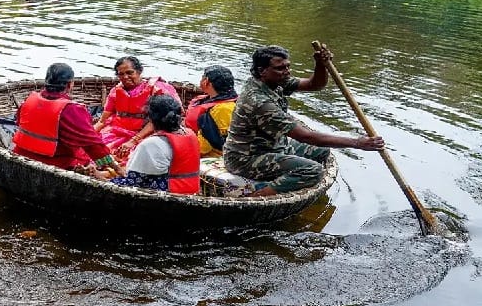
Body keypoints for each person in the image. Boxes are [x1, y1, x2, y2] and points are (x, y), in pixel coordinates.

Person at [223, 45, 384, 196]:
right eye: (280, 68)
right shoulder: (258, 101)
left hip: (274, 147)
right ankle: (258, 195)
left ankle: (282, 179)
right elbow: (305, 136)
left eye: (288, 66)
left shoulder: (275, 81)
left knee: (322, 150)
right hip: (246, 159)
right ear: (262, 71)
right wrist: (357, 143)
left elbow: (315, 85)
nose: (286, 72)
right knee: (313, 170)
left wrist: (320, 64)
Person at [13, 63, 122, 176]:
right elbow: (92, 146)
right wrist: (115, 167)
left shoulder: (29, 100)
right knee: (86, 154)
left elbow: (19, 122)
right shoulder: (71, 109)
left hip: (20, 154)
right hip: (52, 162)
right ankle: (98, 173)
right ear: (70, 84)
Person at [99, 94, 201, 194]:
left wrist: (103, 178)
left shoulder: (152, 144)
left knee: (110, 184)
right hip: (190, 188)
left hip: (170, 190)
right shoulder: (190, 134)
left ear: (151, 120)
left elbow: (133, 179)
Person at [95, 55, 180, 163]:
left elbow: (158, 121)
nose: (125, 77)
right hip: (116, 132)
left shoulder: (155, 90)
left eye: (130, 73)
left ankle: (113, 170)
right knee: (96, 149)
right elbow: (102, 121)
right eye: (121, 74)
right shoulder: (115, 92)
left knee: (134, 157)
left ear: (139, 71)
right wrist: (87, 135)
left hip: (146, 134)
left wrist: (133, 141)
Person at [185, 66, 238, 157]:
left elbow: (203, 147)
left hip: (215, 155)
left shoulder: (221, 110)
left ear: (206, 82)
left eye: (203, 77)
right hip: (196, 138)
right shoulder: (209, 99)